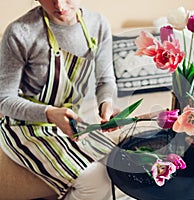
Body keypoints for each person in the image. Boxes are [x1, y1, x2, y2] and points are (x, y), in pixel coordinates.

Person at [0, 0, 119, 199]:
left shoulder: (98, 24)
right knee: (95, 178)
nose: (60, 6)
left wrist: (106, 104)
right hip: (23, 127)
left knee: (120, 164)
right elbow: (4, 99)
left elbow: (105, 80)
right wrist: (48, 114)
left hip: (72, 124)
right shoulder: (19, 32)